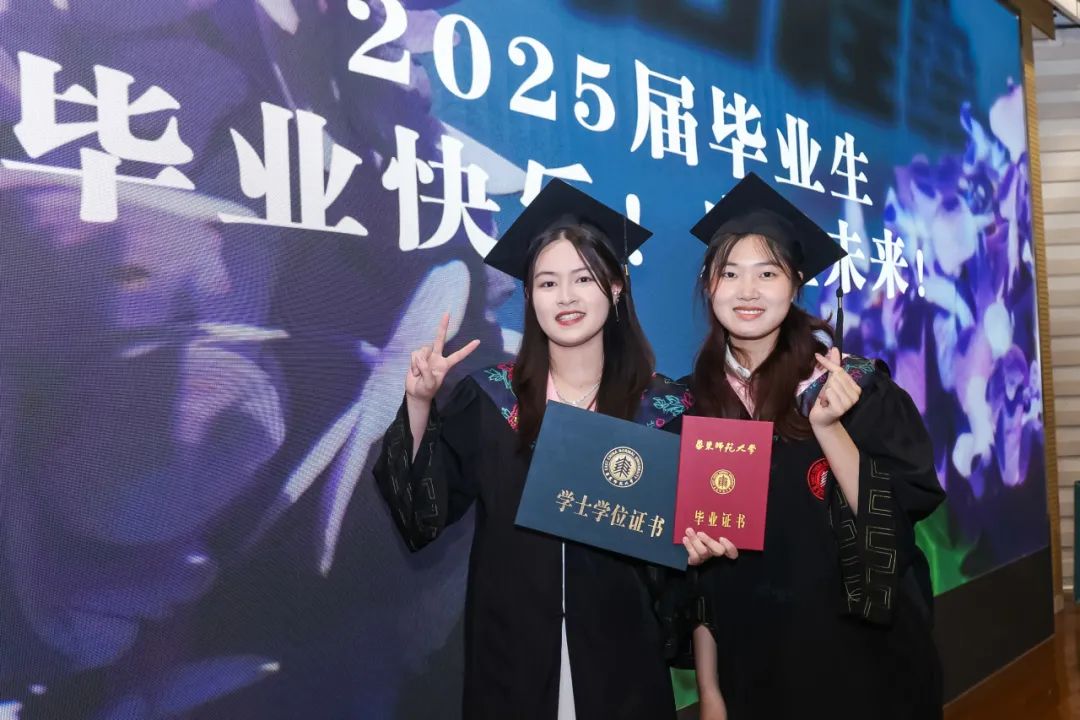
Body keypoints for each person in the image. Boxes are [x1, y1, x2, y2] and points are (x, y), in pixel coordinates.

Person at [373, 179, 732, 720]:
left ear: (616, 288)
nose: (565, 297)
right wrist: (420, 402)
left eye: (583, 278)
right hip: (509, 661)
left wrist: (693, 546)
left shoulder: (664, 410)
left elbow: (688, 552)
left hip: (624, 665)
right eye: (547, 282)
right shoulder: (493, 398)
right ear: (529, 297)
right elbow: (422, 516)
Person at [684, 173, 946, 720]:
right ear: (709, 284)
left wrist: (829, 427)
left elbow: (893, 525)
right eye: (729, 273)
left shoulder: (854, 387)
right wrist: (709, 688)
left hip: (863, 667)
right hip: (754, 670)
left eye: (767, 273)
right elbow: (699, 581)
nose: (747, 291)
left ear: (796, 283)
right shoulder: (690, 405)